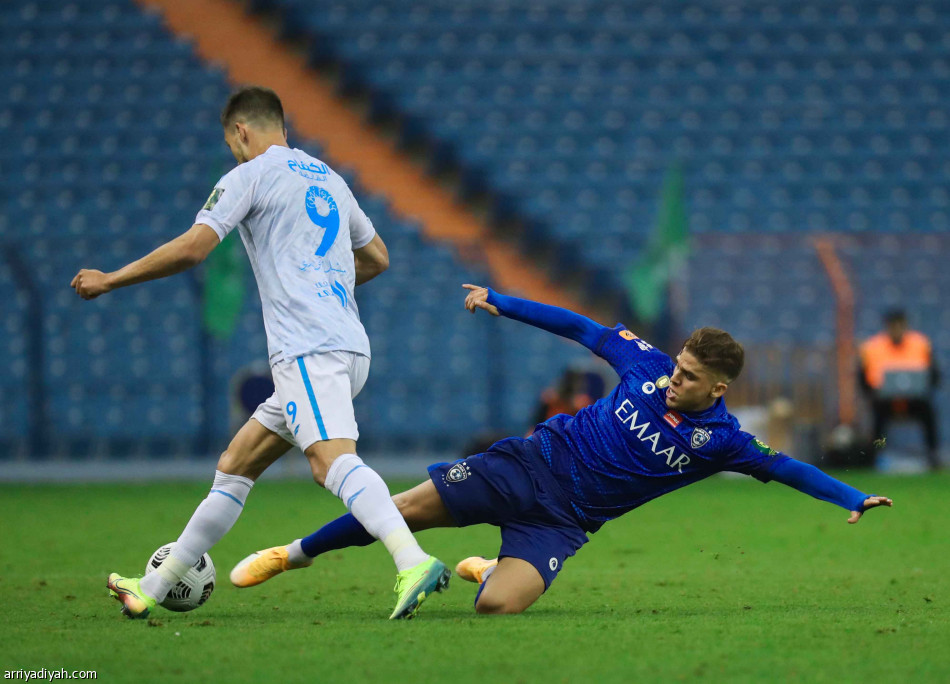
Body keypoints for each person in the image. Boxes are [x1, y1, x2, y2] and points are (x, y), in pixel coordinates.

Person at [228, 284, 893, 615]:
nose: (675, 378)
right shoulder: (646, 364)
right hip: (525, 465)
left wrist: (850, 495)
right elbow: (578, 326)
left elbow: (788, 469)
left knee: (497, 607)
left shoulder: (722, 443)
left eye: (689, 376)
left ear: (717, 388)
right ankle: (292, 555)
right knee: (404, 510)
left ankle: (484, 570)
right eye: (678, 365)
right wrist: (500, 301)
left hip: (563, 523)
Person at [71, 86, 448, 620]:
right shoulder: (328, 177)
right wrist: (323, 278)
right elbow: (378, 256)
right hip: (345, 343)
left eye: (231, 142)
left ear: (241, 132)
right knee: (236, 464)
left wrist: (111, 279)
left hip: (309, 349)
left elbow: (195, 247)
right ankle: (152, 586)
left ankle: (411, 561)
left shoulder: (247, 177)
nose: (233, 151)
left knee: (330, 464)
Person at [859, 309, 941, 470]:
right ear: (887, 327)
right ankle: (876, 456)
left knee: (928, 412)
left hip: (914, 400)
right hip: (884, 401)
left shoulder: (921, 344)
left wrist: (922, 389)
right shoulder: (872, 347)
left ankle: (932, 455)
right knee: (878, 417)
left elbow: (933, 374)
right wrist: (874, 393)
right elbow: (862, 377)